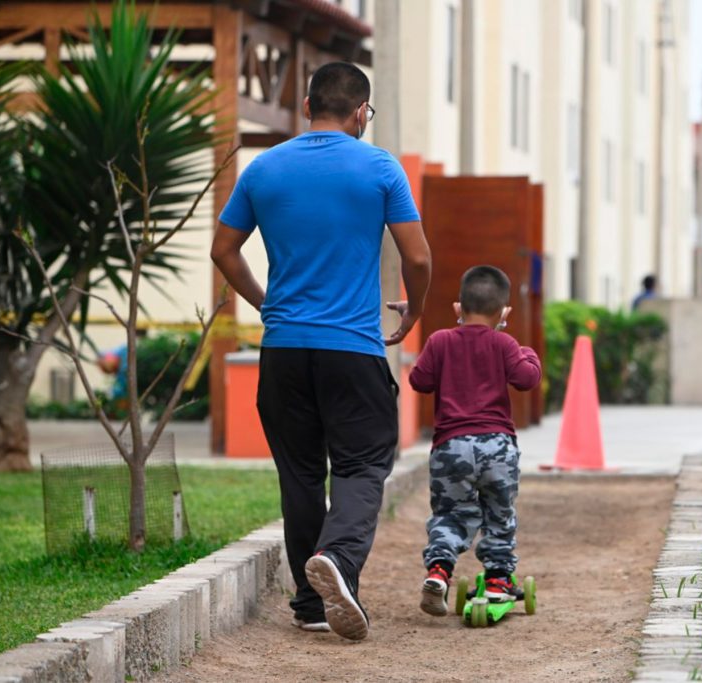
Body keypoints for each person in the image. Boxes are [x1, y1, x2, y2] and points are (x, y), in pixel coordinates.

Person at [210, 61, 431, 641]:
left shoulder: (264, 168)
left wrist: (266, 304)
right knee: (363, 464)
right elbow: (418, 257)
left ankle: (311, 604)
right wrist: (415, 308)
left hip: (283, 350)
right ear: (361, 112)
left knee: (301, 475)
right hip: (352, 350)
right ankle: (337, 557)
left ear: (307, 107)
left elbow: (224, 250)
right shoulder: (379, 167)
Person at [408, 265, 542, 616]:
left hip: (450, 447)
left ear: (458, 307)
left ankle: (439, 570)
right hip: (497, 447)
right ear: (504, 313)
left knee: (450, 515)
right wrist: (528, 354)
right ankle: (498, 579)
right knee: (499, 514)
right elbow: (526, 379)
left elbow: (420, 381)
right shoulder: (505, 343)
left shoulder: (440, 341)